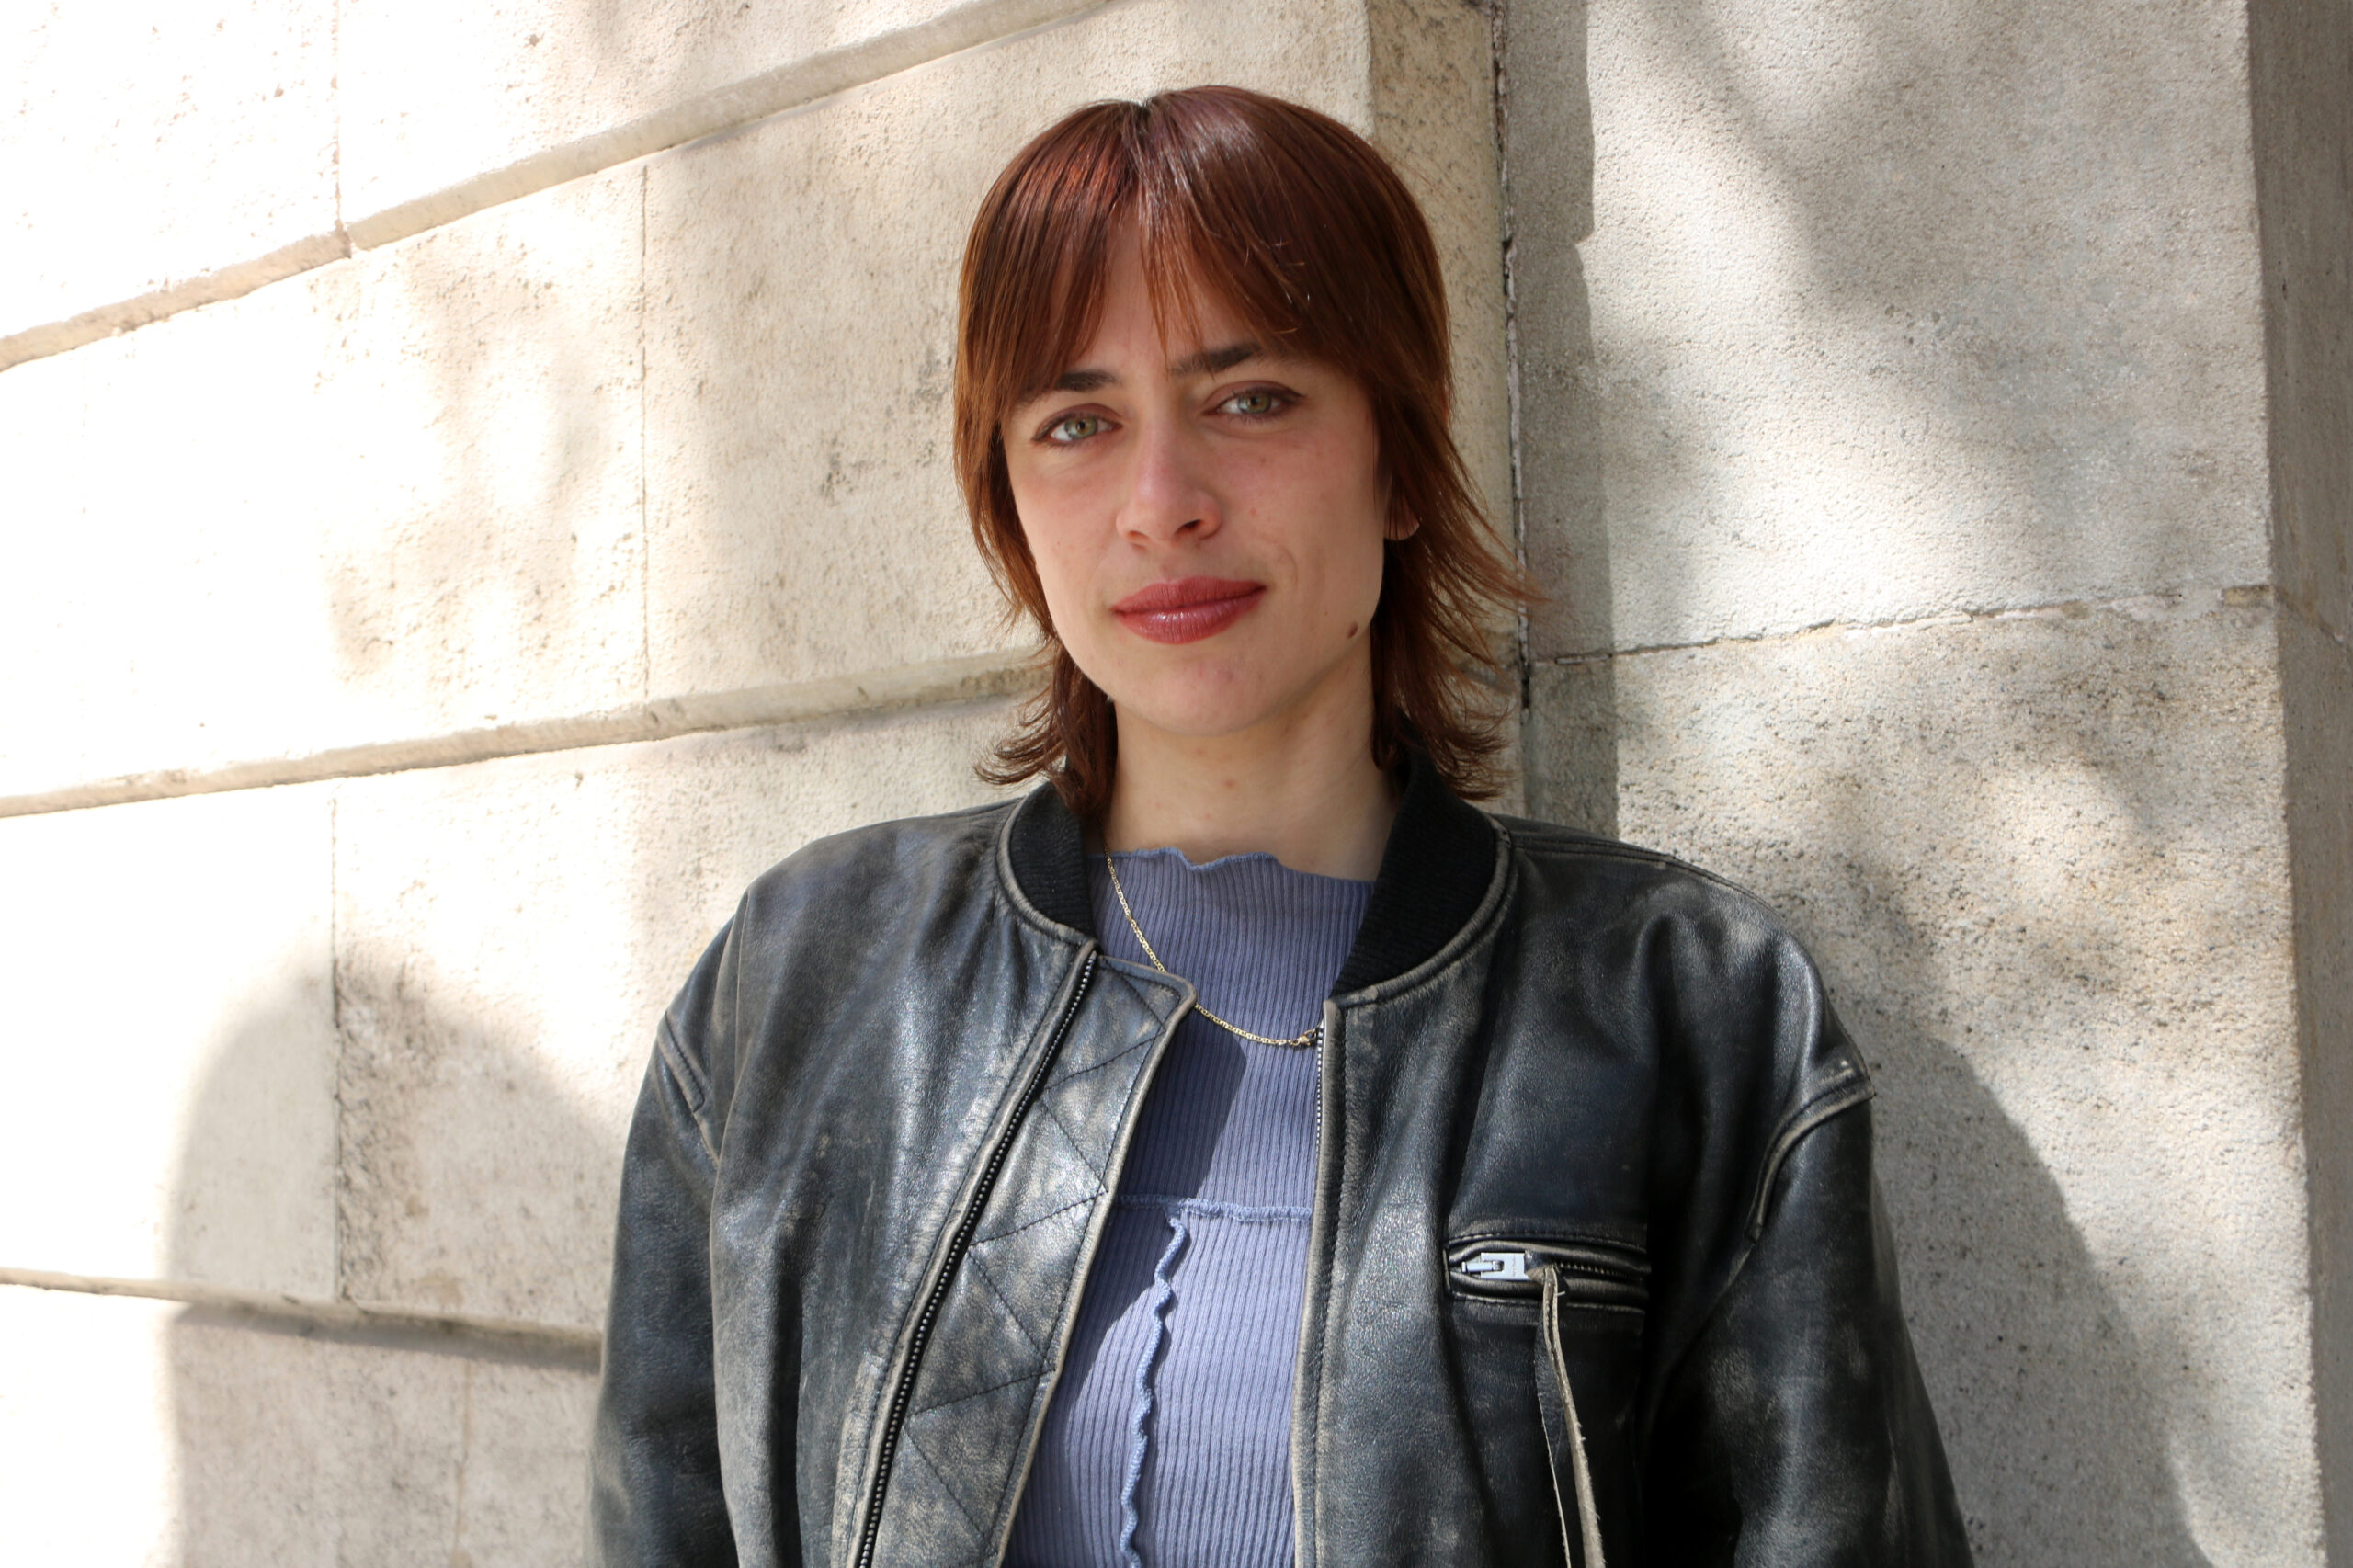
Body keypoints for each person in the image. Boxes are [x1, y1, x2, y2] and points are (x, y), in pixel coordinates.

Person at [589, 85, 1971, 1568]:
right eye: (1076, 423)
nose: (1162, 502)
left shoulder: (1686, 1003)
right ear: (1011, 505)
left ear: (1400, 458)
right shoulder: (804, 977)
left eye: (1250, 397)